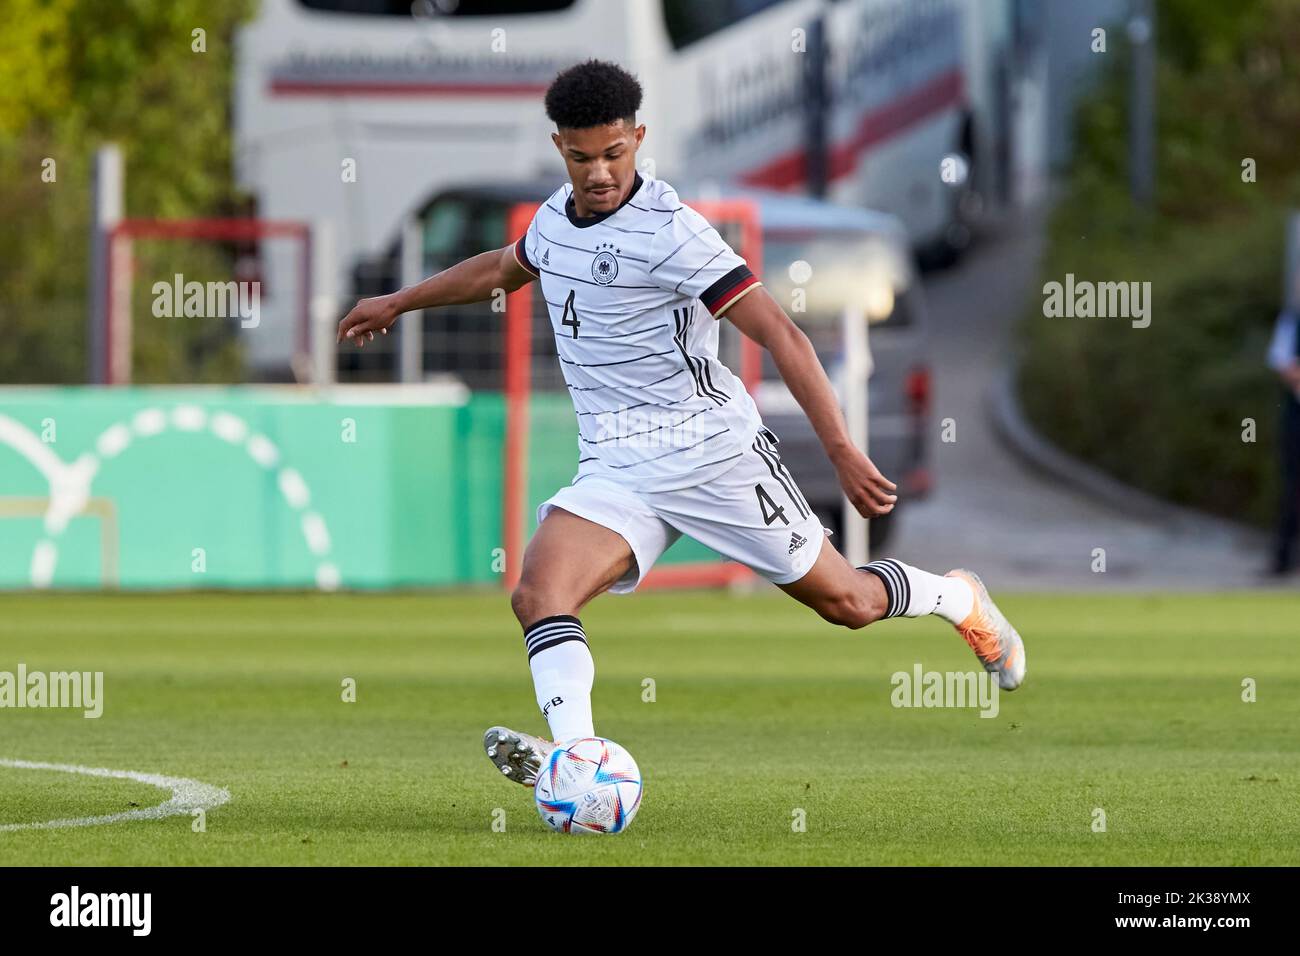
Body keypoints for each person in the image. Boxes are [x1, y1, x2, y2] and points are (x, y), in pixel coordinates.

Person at [335, 60, 1026, 785]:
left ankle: (959, 597)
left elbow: (782, 336)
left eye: (613, 153)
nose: (598, 172)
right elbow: (502, 270)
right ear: (559, 148)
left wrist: (842, 450)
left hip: (713, 453)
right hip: (617, 469)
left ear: (638, 138)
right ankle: (579, 759)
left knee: (847, 603)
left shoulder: (672, 231)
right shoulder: (552, 220)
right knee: (539, 593)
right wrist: (398, 302)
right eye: (580, 157)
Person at [1266, 302, 1300, 575]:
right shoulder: (1291, 320)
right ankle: (1283, 559)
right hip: (1294, 419)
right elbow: (1283, 363)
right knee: (1293, 487)